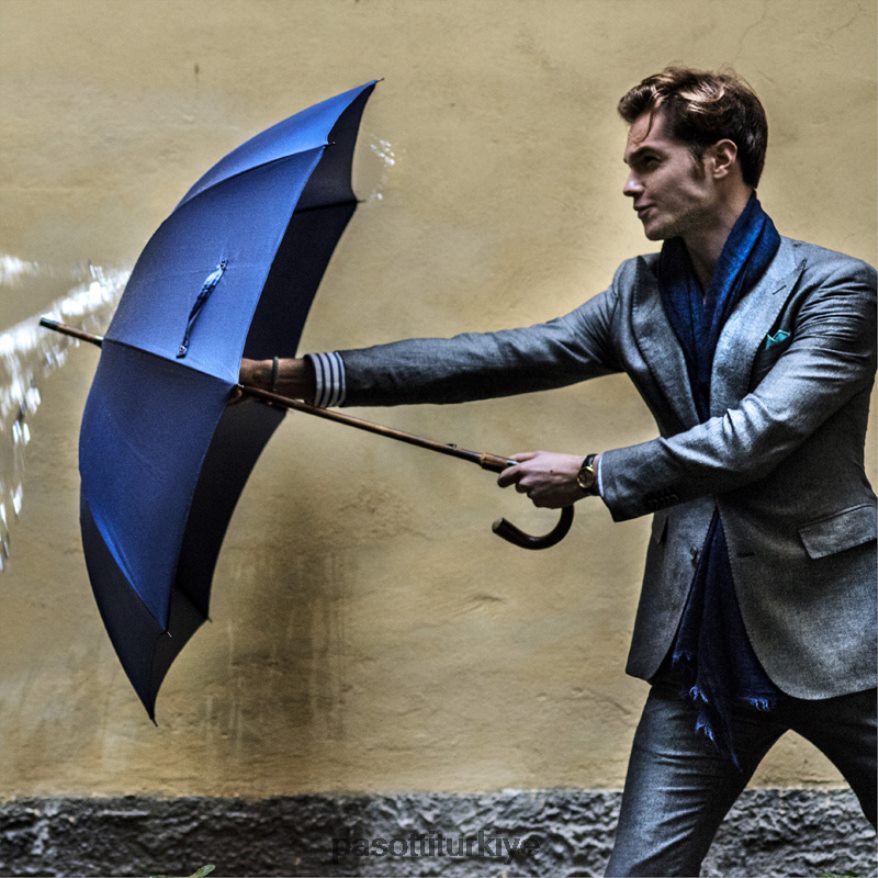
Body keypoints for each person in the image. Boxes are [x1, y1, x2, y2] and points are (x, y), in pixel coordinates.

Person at [239, 67, 877, 875]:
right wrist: (302, 377)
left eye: (648, 162)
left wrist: (591, 473)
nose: (629, 185)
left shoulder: (835, 290)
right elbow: (502, 356)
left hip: (843, 631)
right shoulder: (639, 294)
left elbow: (754, 437)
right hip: (700, 645)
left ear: (720, 160)